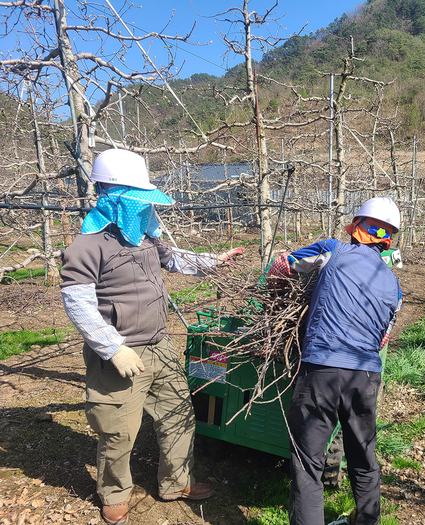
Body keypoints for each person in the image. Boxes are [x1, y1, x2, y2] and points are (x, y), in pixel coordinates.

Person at [60, 149, 239, 525]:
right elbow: (76, 303)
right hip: (120, 356)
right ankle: (113, 493)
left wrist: (214, 260)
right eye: (139, 203)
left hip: (160, 345)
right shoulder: (88, 246)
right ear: (112, 197)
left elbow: (174, 260)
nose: (147, 211)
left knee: (177, 414)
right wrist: (113, 349)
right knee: (118, 429)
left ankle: (176, 482)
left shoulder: (145, 239)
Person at [267, 196, 403, 525]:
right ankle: (367, 520)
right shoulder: (395, 286)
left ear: (357, 227)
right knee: (363, 456)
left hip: (322, 372)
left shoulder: (334, 249)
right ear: (387, 239)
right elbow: (384, 336)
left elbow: (282, 266)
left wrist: (275, 295)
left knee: (307, 464)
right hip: (366, 376)